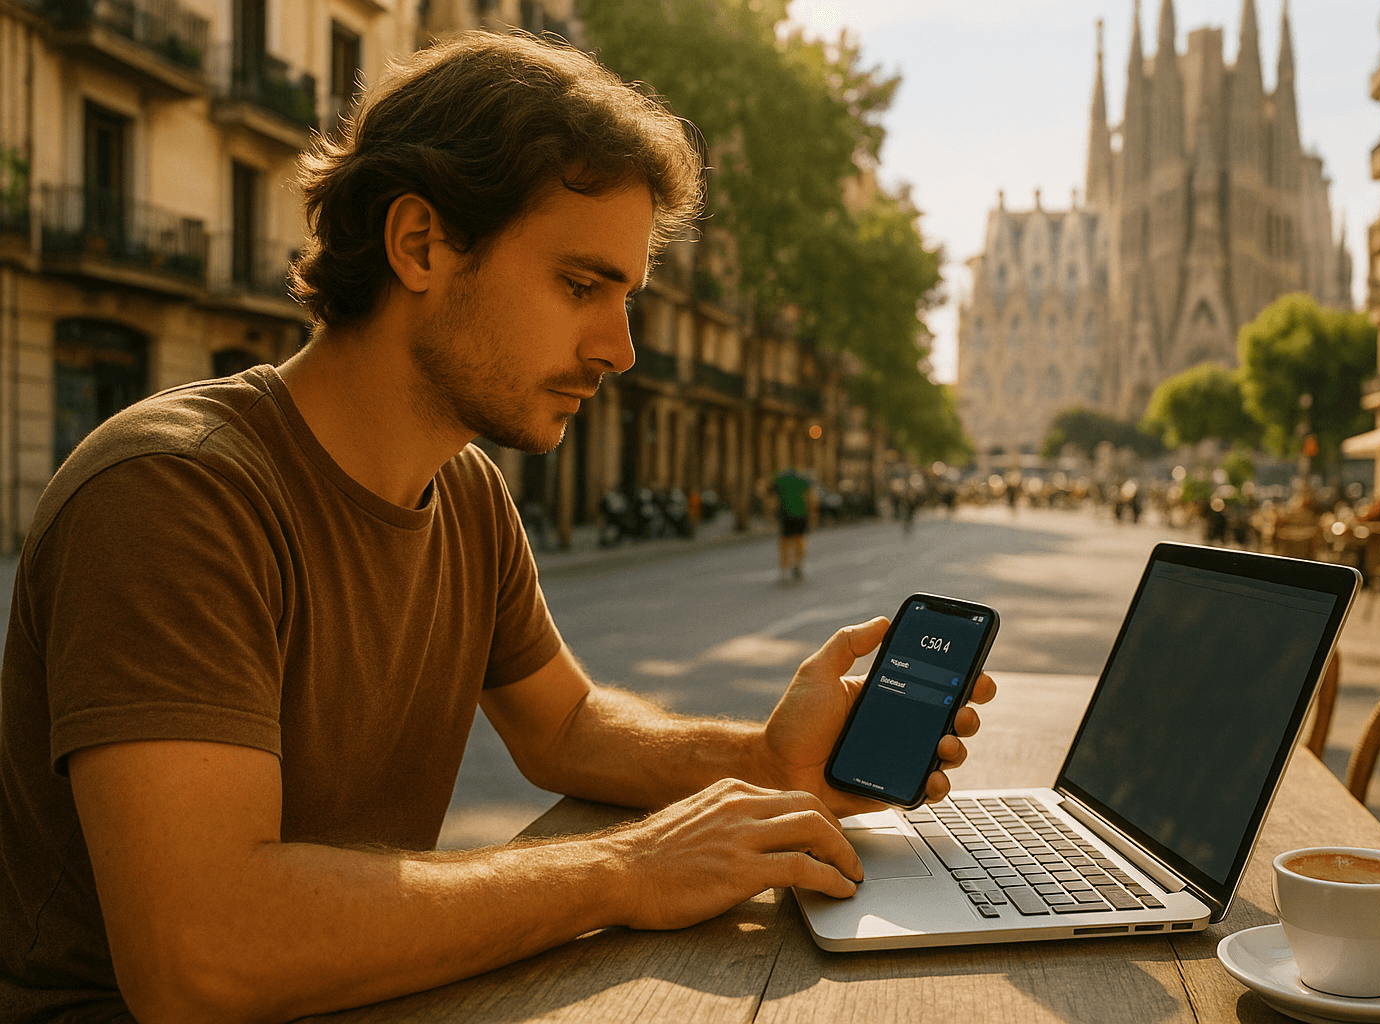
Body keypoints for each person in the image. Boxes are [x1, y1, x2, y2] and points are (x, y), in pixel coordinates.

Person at [0, 34, 995, 1024]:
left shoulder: (466, 492)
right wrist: (622, 869)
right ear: (420, 244)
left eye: (627, 296)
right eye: (580, 286)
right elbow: (203, 956)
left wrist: (766, 758)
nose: (620, 348)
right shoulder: (176, 492)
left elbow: (564, 724)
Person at [773, 466, 815, 581]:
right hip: (801, 515)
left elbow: (772, 498)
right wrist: (813, 515)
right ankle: (798, 565)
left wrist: (770, 515)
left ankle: (784, 570)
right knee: (800, 541)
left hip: (785, 515)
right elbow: (811, 498)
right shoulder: (803, 480)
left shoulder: (780, 480)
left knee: (785, 542)